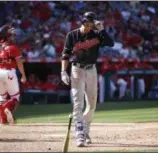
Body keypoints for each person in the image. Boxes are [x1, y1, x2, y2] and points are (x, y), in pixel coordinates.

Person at [61, 12, 114, 147]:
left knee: (92, 104)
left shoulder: (96, 35)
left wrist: (102, 29)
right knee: (78, 102)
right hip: (77, 69)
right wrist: (63, 71)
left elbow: (110, 43)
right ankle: (79, 134)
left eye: (91, 25)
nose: (89, 27)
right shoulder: (72, 35)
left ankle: (85, 130)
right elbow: (65, 55)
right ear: (82, 22)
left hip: (91, 70)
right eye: (87, 24)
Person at [0, 24, 27, 125]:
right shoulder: (13, 47)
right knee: (15, 97)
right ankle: (7, 108)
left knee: (1, 98)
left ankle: (3, 121)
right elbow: (19, 63)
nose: (13, 37)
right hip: (9, 72)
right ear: (7, 36)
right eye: (12, 35)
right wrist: (23, 75)